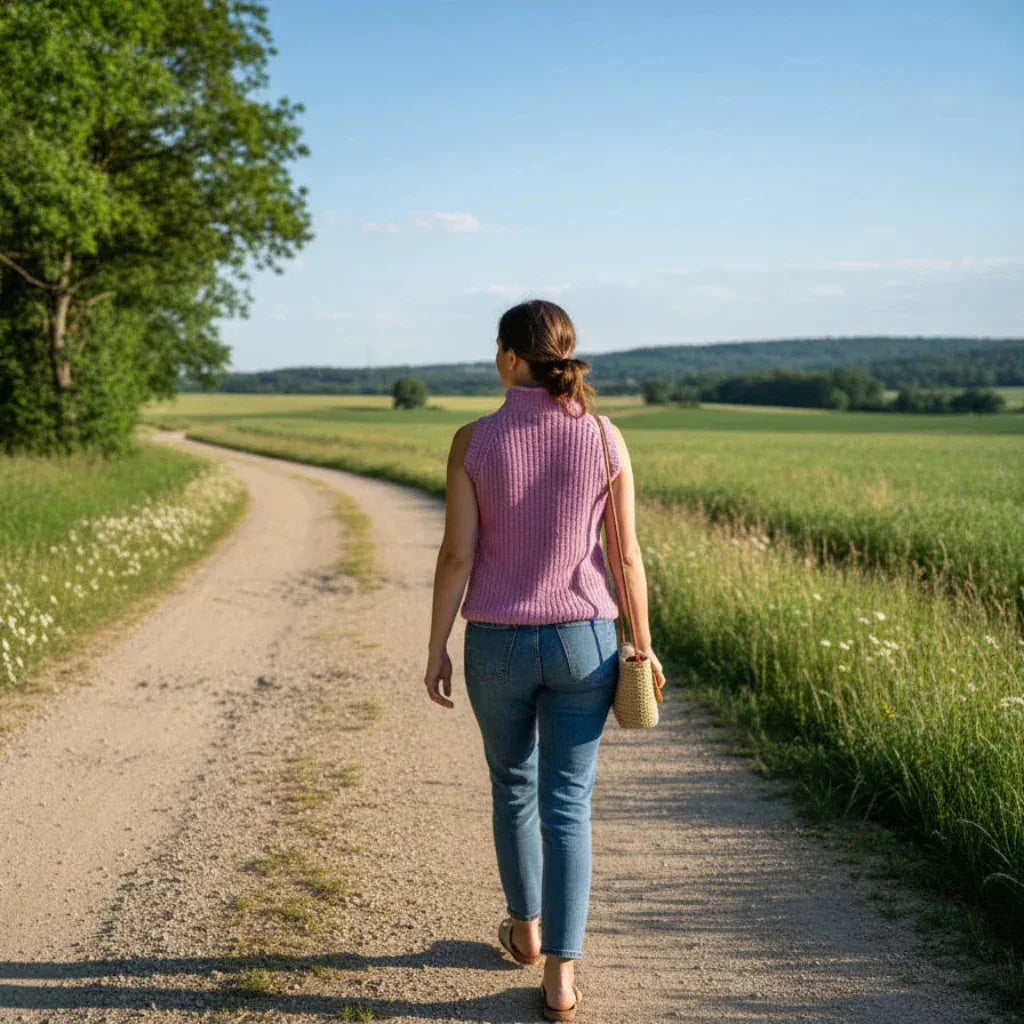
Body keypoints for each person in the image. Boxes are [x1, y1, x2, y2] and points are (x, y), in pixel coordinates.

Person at [424, 298, 666, 1021]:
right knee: (569, 804)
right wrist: (644, 645)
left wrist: (435, 642)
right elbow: (624, 556)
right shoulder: (602, 436)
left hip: (496, 640)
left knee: (514, 787)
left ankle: (525, 932)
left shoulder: (473, 439)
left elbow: (458, 553)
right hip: (583, 641)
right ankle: (561, 976)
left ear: (507, 357)